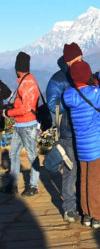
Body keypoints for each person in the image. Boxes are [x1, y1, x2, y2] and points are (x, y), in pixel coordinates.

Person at [63, 61, 100, 229]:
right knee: (95, 181)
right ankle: (97, 217)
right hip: (96, 145)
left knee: (84, 179)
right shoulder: (93, 94)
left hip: (82, 146)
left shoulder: (70, 95)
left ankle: (87, 214)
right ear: (87, 75)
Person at [45, 42, 83, 222]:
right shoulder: (58, 79)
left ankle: (82, 204)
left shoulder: (83, 74)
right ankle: (69, 208)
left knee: (82, 169)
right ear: (68, 61)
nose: (81, 61)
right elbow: (53, 106)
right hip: (68, 131)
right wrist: (72, 98)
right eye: (77, 59)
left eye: (81, 58)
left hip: (83, 130)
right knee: (71, 170)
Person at [3, 52, 40, 196]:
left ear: (17, 68)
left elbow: (26, 108)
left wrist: (8, 113)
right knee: (13, 154)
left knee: (32, 155)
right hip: (20, 124)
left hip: (28, 124)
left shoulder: (29, 83)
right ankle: (13, 185)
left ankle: (33, 185)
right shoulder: (25, 81)